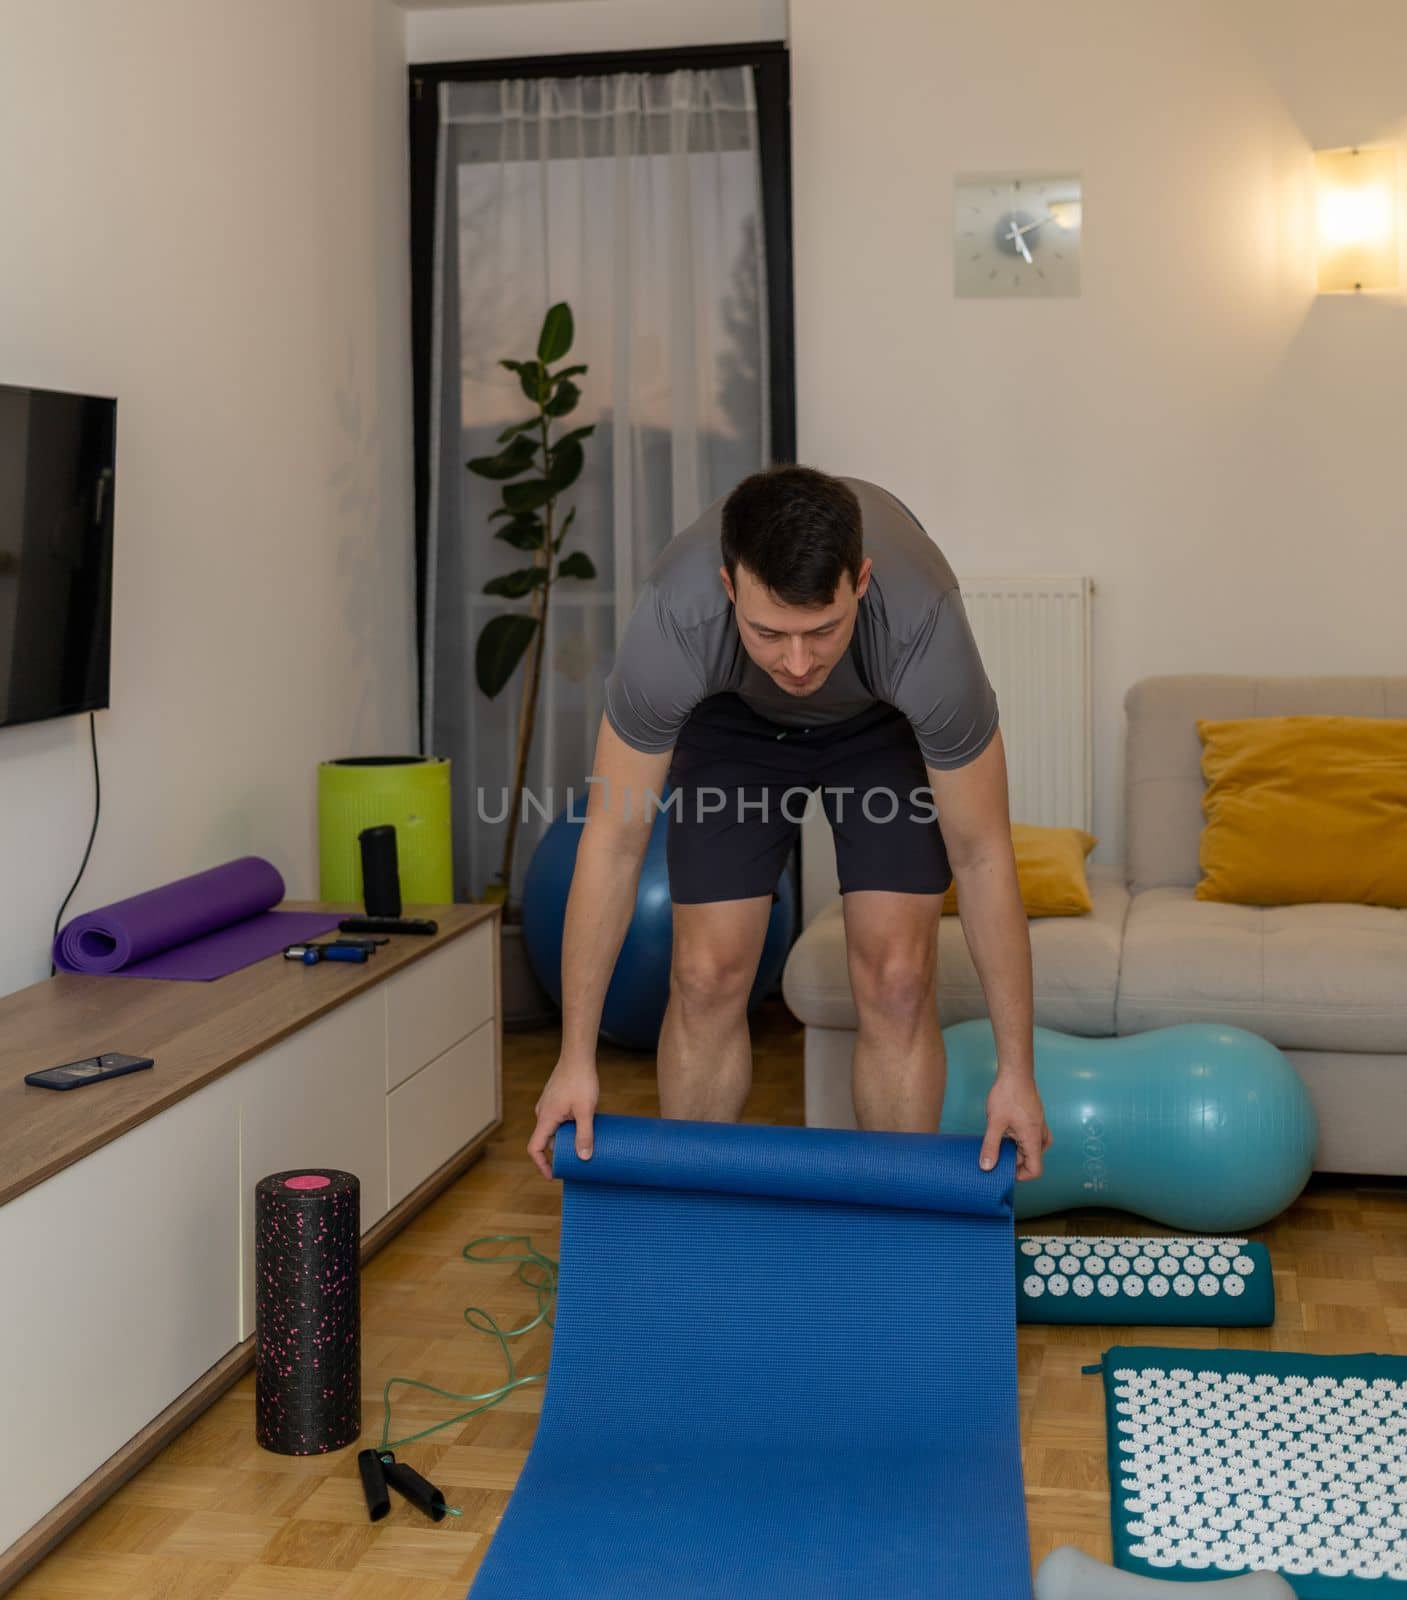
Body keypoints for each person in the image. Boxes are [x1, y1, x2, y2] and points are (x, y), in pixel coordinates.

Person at [527, 465, 1050, 1183]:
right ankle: (697, 1214)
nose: (798, 663)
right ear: (726, 588)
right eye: (769, 632)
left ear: (860, 584)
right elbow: (613, 843)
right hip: (733, 726)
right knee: (705, 974)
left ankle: (894, 1224)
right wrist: (573, 1060)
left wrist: (1015, 1074)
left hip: (879, 727)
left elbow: (983, 856)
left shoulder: (922, 621)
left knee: (897, 975)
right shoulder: (674, 620)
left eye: (822, 630)